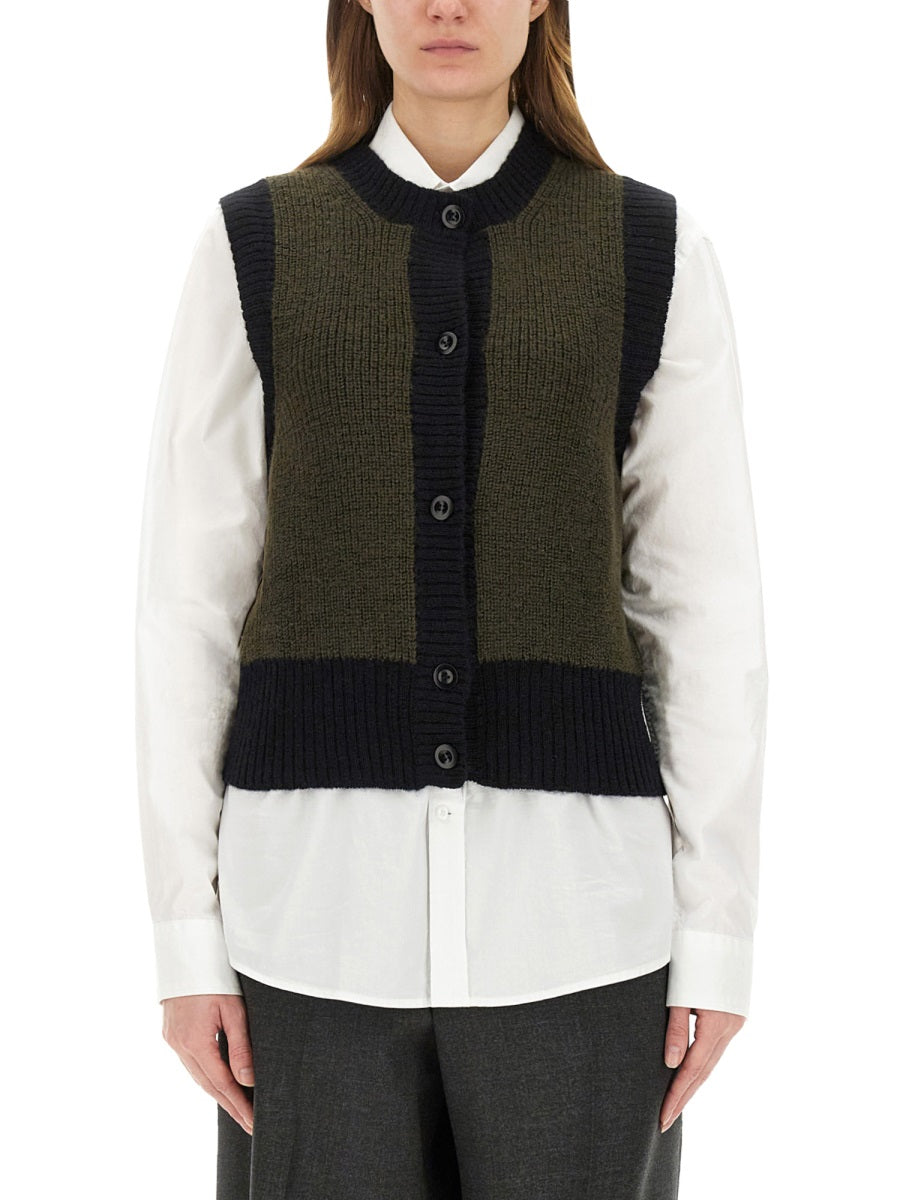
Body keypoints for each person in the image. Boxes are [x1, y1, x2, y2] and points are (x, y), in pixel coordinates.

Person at [134, 1, 768, 1197]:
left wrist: (718, 933)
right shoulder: (255, 245)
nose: (447, 4)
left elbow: (703, 605)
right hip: (305, 925)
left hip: (582, 928)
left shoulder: (649, 248)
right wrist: (185, 936)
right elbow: (188, 606)